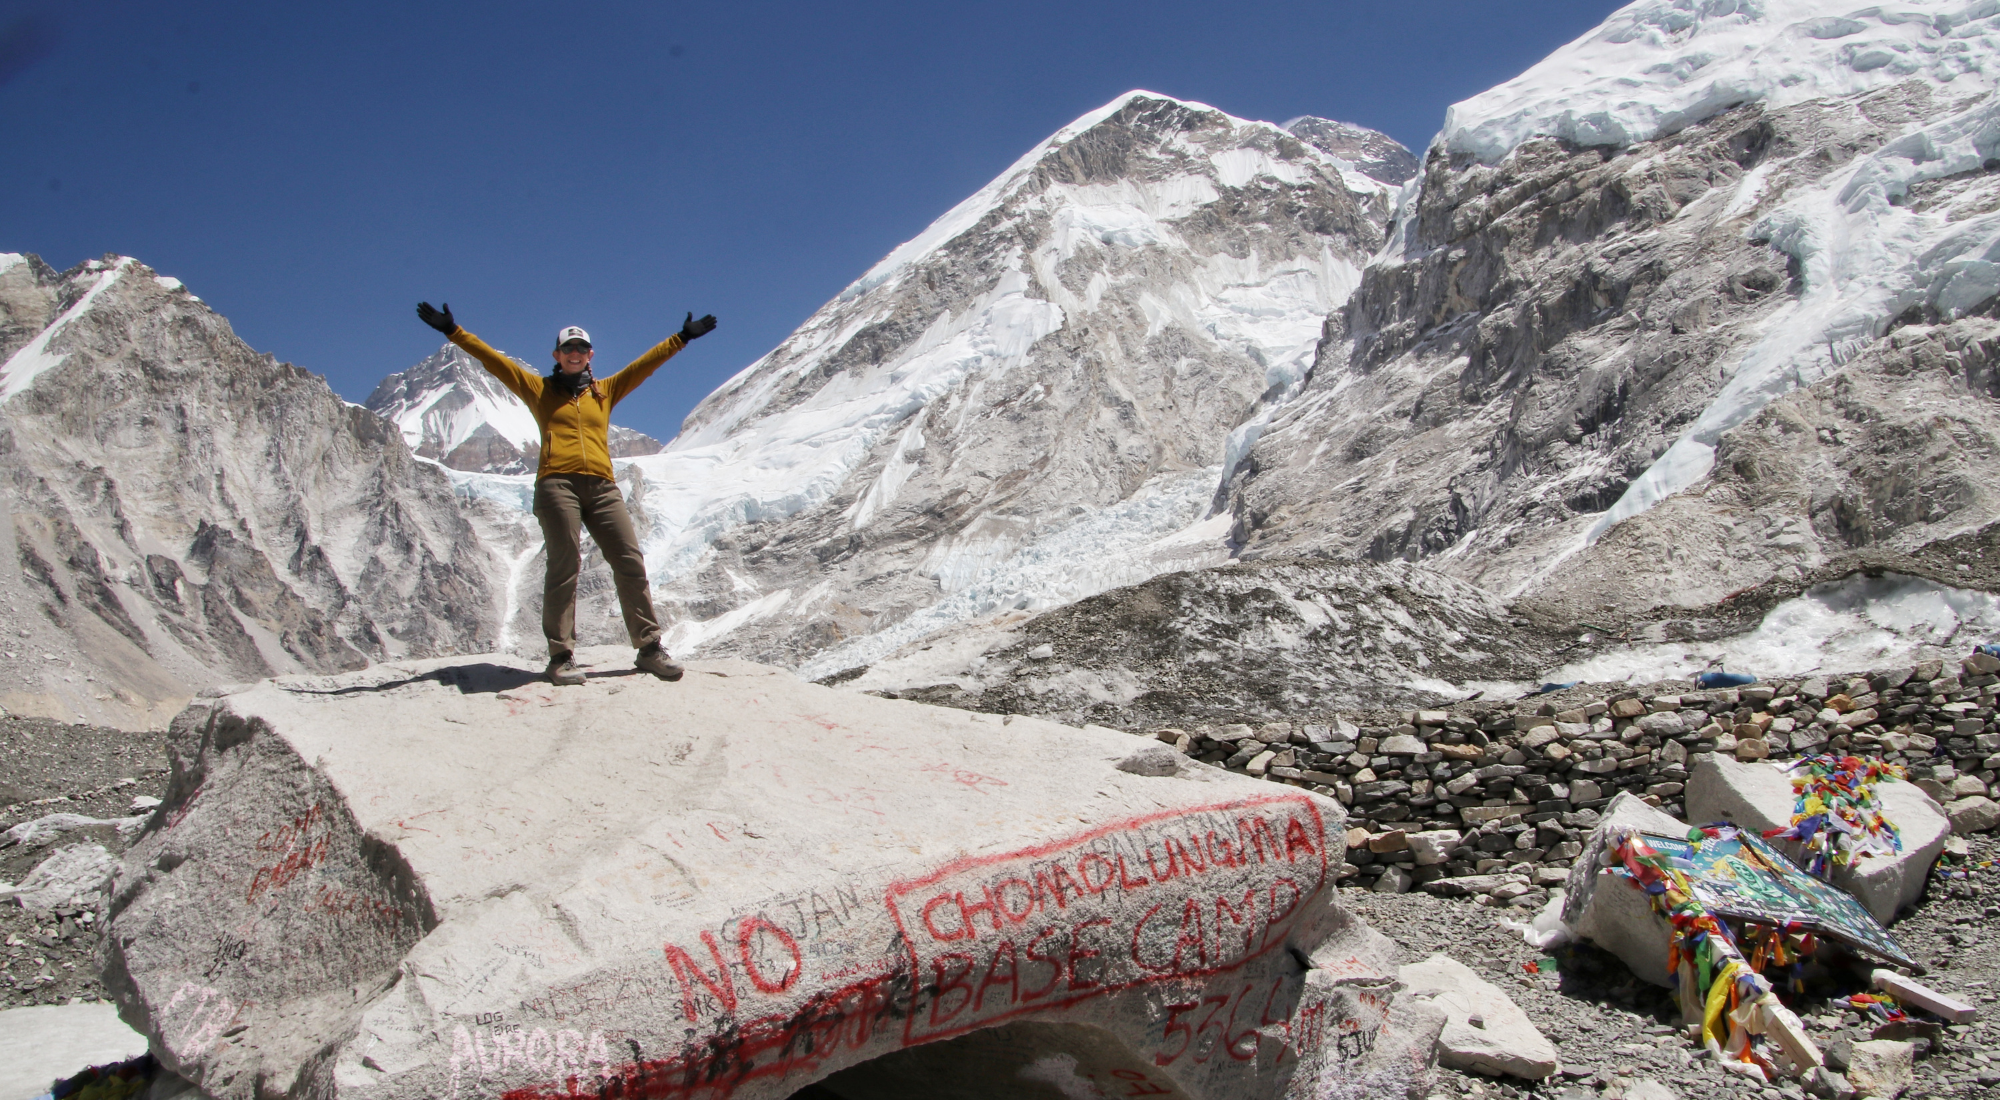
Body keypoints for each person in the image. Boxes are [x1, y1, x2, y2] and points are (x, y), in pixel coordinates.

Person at [415, 301, 716, 685]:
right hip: (557, 483)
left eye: (581, 349)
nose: (575, 354)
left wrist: (682, 338)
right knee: (564, 565)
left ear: (590, 355)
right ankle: (560, 656)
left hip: (603, 486)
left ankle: (649, 649)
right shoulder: (538, 389)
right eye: (568, 349)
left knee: (629, 559)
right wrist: (453, 331)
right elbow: (493, 361)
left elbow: (643, 367)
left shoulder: (605, 391)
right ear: (557, 355)